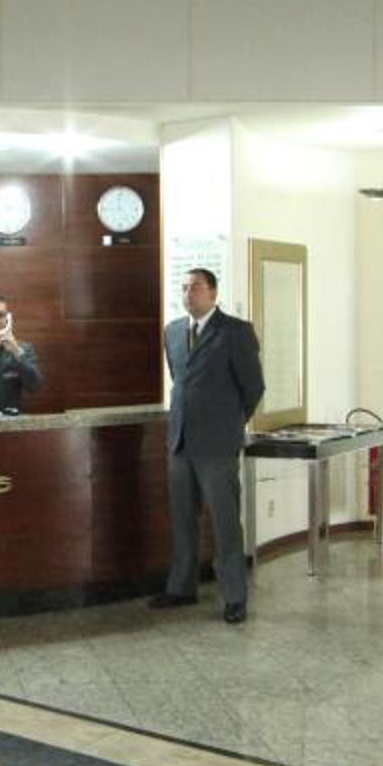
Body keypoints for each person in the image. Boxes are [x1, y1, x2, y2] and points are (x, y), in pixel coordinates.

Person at [154, 266, 265, 624]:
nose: (188, 294)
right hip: (180, 441)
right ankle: (182, 588)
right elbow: (181, 380)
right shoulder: (173, 331)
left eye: (196, 287)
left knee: (225, 522)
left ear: (213, 293)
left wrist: (230, 424)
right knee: (183, 519)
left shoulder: (235, 332)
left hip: (217, 444)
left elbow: (253, 387)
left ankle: (234, 596)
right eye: (184, 287)